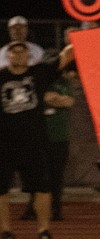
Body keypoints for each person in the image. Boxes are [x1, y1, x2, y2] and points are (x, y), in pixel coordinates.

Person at [0, 41, 74, 239]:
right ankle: (5, 231)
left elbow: (66, 56)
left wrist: (83, 31)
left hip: (34, 142)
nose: (18, 56)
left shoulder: (38, 73)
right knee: (2, 189)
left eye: (22, 52)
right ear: (7, 56)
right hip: (5, 144)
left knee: (42, 188)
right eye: (13, 52)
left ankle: (43, 230)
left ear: (29, 56)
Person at [19, 64, 77, 221]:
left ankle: (56, 208)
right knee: (35, 176)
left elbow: (68, 101)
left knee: (56, 176)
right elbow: (37, 99)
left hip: (59, 137)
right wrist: (51, 99)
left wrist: (50, 99)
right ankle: (33, 207)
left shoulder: (64, 83)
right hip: (38, 137)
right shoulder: (37, 81)